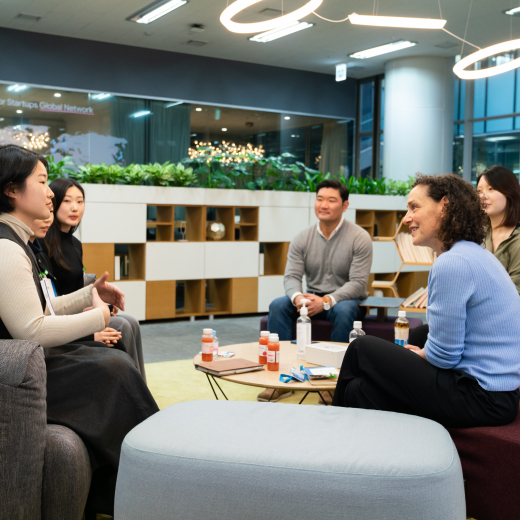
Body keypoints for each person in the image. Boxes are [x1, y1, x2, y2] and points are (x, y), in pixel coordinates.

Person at [0, 144, 159, 514]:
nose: (51, 193)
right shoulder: (6, 249)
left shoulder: (19, 242)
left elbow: (45, 306)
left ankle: (139, 477)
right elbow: (33, 331)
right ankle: (154, 472)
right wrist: (98, 316)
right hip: (18, 375)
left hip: (30, 363)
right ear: (11, 190)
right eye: (42, 181)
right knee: (112, 368)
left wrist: (90, 293)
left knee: (112, 361)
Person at [333, 173, 520, 429]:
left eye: (414, 207)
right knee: (359, 388)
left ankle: (330, 431)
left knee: (360, 348)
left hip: (482, 396)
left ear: (444, 205)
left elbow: (444, 357)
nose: (407, 218)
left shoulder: (453, 262)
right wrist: (420, 352)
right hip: (497, 395)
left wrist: (420, 355)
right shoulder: (473, 253)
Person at [260, 179, 373, 403]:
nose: (324, 205)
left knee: (344, 311)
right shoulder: (303, 237)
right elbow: (291, 276)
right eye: (320, 199)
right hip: (311, 298)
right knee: (278, 305)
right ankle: (280, 379)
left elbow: (358, 283)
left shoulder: (360, 238)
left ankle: (331, 383)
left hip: (344, 301)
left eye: (331, 200)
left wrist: (327, 300)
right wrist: (298, 297)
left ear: (345, 205)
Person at [42, 177, 147, 381]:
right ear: (53, 203)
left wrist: (101, 304)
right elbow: (54, 300)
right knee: (122, 327)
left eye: (80, 202)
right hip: (61, 321)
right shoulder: (43, 244)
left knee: (131, 322)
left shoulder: (75, 244)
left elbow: (75, 288)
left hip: (78, 313)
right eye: (67, 201)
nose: (75, 208)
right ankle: (131, 388)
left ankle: (139, 384)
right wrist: (90, 329)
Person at [30, 210, 122, 347]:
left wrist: (93, 296)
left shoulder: (41, 253)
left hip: (59, 323)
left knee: (121, 331)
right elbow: (34, 330)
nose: (48, 218)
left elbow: (49, 307)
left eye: (80, 201)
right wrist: (91, 332)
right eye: (67, 200)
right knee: (118, 345)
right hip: (42, 344)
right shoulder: (24, 249)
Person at [477, 165, 520, 294]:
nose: (483, 196)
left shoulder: (517, 240)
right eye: (479, 191)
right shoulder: (477, 233)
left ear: (509, 192)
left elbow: (515, 292)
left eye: (491, 189)